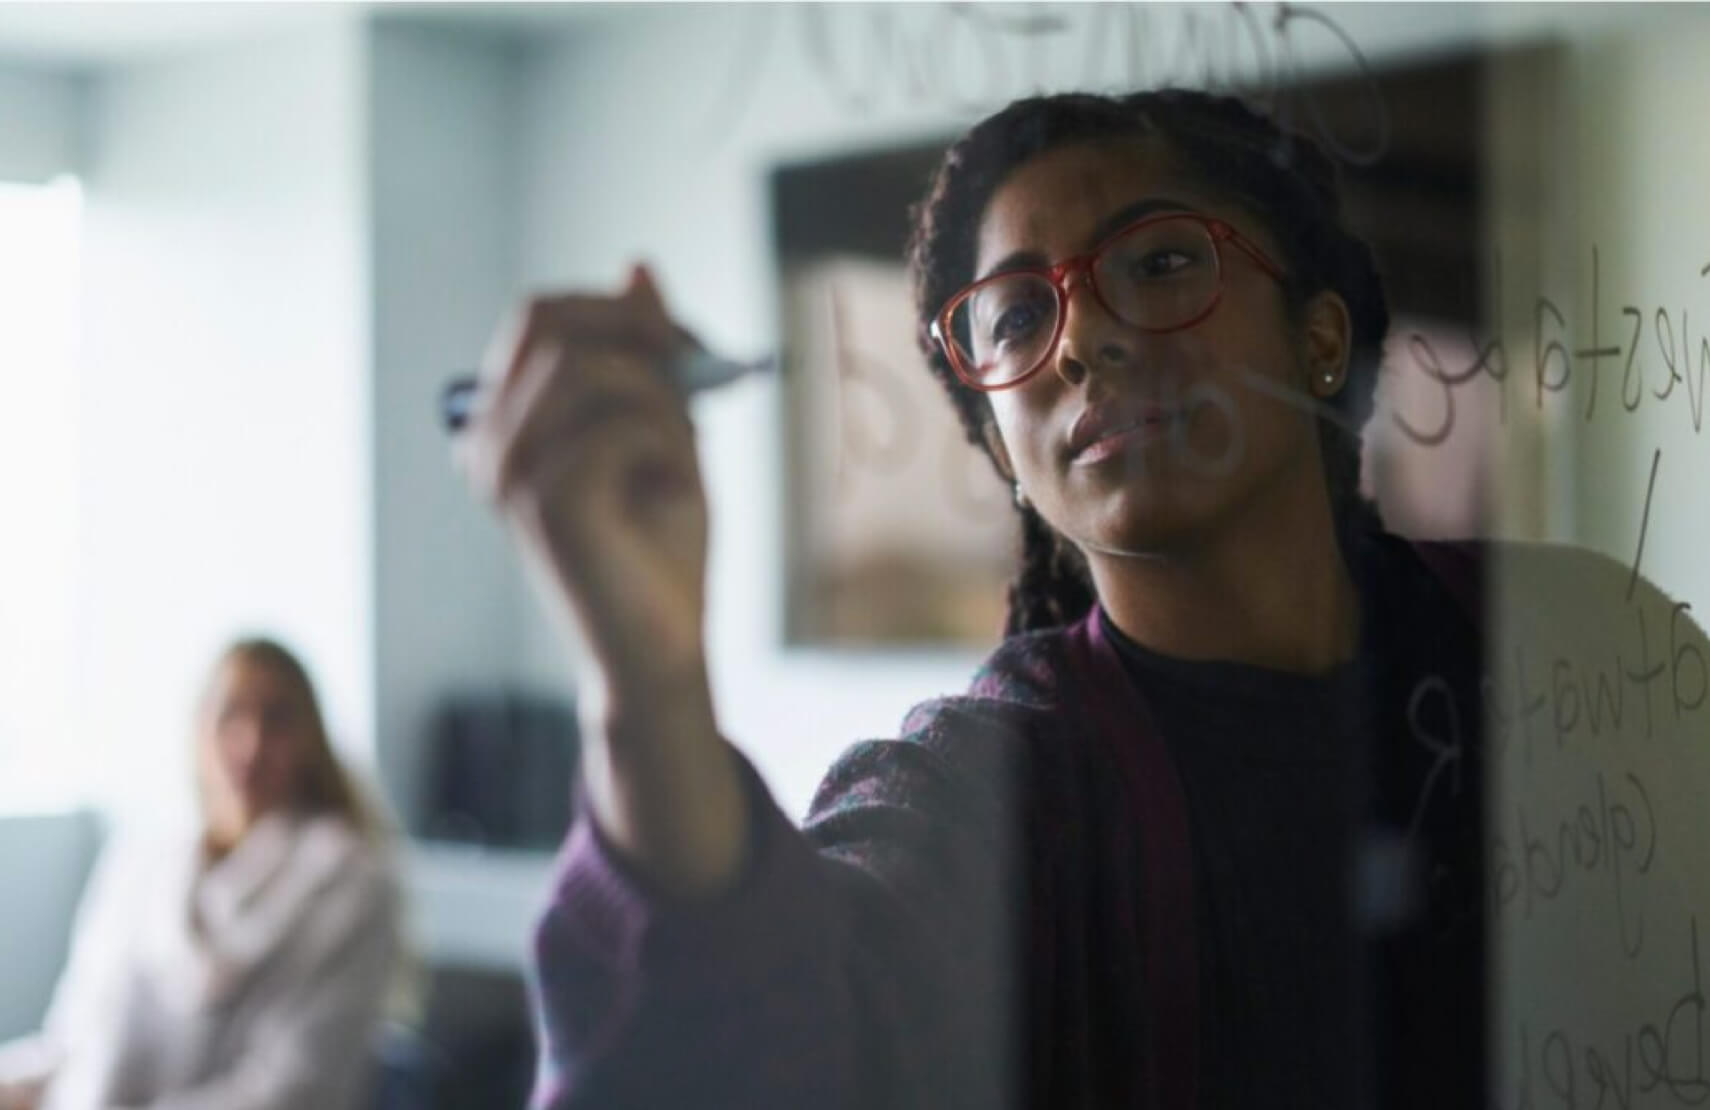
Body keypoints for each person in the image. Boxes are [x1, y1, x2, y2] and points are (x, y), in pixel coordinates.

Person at [455, 89, 1488, 1108]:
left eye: (1163, 263)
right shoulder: (995, 788)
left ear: (1318, 341)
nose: (1083, 340)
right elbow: (762, 1033)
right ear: (1003, 446)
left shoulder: (1536, 631)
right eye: (1020, 314)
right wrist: (649, 685)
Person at [0, 638, 404, 1110]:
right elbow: (72, 1043)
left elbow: (294, 1091)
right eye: (231, 715)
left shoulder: (350, 885)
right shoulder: (142, 861)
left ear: (310, 739)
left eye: (276, 720)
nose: (250, 745)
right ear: (199, 729)